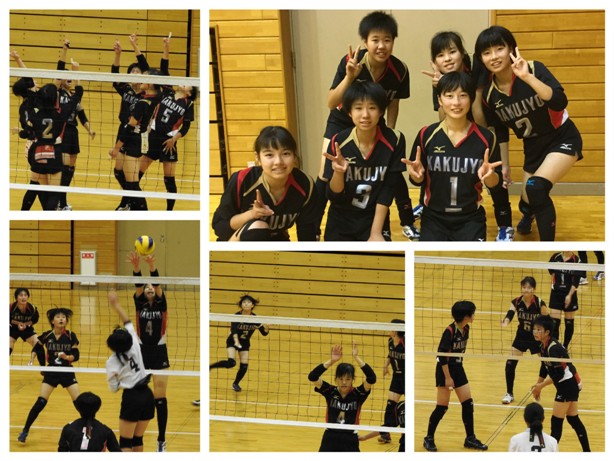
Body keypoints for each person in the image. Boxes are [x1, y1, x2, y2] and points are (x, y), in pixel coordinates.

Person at [474, 25, 583, 241]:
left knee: (536, 187)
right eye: (487, 52)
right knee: (526, 200)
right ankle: (528, 213)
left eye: (499, 49)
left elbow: (560, 102)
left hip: (562, 137)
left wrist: (527, 78)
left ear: (511, 49)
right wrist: (505, 165)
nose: (494, 57)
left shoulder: (534, 68)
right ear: (481, 59)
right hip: (532, 147)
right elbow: (501, 130)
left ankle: (548, 246)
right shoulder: (489, 94)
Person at [317, 11, 417, 240]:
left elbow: (393, 103)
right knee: (325, 174)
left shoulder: (400, 70)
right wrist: (349, 77)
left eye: (387, 40)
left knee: (392, 173)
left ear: (393, 41)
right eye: (375, 40)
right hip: (341, 119)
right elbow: (331, 102)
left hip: (372, 121)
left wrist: (390, 130)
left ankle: (408, 221)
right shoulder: (352, 61)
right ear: (365, 41)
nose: (381, 46)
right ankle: (314, 227)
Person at [422, 31, 514, 241]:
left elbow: (479, 110)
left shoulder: (476, 69)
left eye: (452, 52)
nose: (447, 59)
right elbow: (442, 118)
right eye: (440, 55)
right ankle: (427, 207)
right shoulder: (440, 81)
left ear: (462, 54)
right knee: (436, 166)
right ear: (434, 60)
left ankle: (505, 226)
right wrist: (439, 86)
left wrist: (483, 142)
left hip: (489, 126)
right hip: (465, 130)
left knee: (495, 176)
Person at [404, 72, 502, 241]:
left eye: (463, 95)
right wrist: (416, 176)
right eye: (449, 96)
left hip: (471, 219)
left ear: (471, 99)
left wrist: (490, 177)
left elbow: (495, 185)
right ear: (440, 100)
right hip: (434, 218)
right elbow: (417, 180)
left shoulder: (487, 138)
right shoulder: (426, 134)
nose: (456, 102)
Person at [322, 81, 406, 241]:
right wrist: (338, 173)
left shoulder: (394, 140)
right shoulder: (338, 141)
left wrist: (375, 232)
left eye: (372, 108)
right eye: (358, 108)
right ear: (349, 112)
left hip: (374, 218)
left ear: (381, 111)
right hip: (341, 220)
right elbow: (334, 195)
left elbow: (388, 189)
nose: (365, 115)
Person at [212, 126, 319, 241]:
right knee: (258, 228)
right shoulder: (242, 179)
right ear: (258, 158)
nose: (278, 162)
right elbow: (220, 227)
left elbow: (307, 233)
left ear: (294, 156)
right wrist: (252, 214)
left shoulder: (305, 184)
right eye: (269, 155)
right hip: (235, 242)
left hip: (273, 240)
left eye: (286, 153)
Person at [111, 34, 169, 211]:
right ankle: (129, 202)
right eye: (134, 72)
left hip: (134, 134)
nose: (138, 75)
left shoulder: (148, 98)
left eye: (141, 73)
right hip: (125, 131)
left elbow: (152, 71)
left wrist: (135, 46)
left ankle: (133, 205)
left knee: (132, 180)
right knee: (119, 173)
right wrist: (119, 53)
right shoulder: (127, 91)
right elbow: (114, 77)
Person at [423, 300, 487, 451]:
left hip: (458, 367)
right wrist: (447, 377)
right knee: (442, 407)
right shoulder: (449, 332)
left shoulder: (466, 329)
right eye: (472, 313)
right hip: (445, 369)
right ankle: (429, 438)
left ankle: (470, 438)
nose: (474, 315)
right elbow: (441, 356)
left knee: (468, 403)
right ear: (466, 316)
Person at [18, 308, 80, 443]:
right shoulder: (47, 335)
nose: (61, 319)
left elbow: (76, 355)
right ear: (52, 321)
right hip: (51, 371)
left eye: (63, 317)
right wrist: (32, 359)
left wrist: (67, 357)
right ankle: (25, 430)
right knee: (41, 402)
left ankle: (90, 428)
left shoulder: (71, 335)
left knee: (79, 402)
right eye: (58, 317)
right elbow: (37, 347)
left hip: (66, 371)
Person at [129, 251, 170, 452]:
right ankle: (137, 436)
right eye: (146, 288)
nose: (150, 288)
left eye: (152, 287)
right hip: (142, 352)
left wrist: (152, 266)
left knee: (160, 398)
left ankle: (161, 439)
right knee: (138, 395)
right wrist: (137, 268)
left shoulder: (162, 303)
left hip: (160, 351)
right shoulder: (139, 303)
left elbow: (157, 283)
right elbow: (138, 285)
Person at [531, 315, 590, 451]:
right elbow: (544, 366)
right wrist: (538, 385)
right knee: (573, 419)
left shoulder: (553, 348)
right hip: (569, 385)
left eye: (539, 329)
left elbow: (559, 374)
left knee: (556, 422)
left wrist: (541, 386)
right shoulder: (543, 345)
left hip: (567, 385)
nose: (535, 332)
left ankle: (550, 453)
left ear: (547, 332)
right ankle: (587, 452)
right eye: (534, 329)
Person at [106, 290, 155, 452]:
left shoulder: (112, 362)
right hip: (147, 395)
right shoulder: (134, 342)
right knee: (137, 439)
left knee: (125, 442)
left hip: (132, 397)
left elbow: (113, 388)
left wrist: (119, 382)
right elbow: (127, 321)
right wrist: (116, 304)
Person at [308, 341, 376, 452]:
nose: (344, 382)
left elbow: (372, 378)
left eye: (348, 379)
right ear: (336, 379)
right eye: (341, 379)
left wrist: (356, 357)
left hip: (350, 438)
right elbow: (312, 376)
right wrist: (332, 360)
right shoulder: (330, 391)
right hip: (330, 437)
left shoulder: (358, 394)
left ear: (353, 380)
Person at [139, 83, 197, 210]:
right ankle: (134, 204)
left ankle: (169, 211)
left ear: (189, 93)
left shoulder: (188, 104)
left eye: (188, 85)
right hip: (153, 137)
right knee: (135, 175)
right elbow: (160, 78)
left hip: (168, 142)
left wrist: (173, 140)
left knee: (169, 180)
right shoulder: (167, 93)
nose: (184, 83)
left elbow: (186, 127)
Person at [55, 39, 96, 210]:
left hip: (73, 132)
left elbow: (81, 115)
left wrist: (89, 130)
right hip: (62, 131)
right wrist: (64, 50)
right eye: (67, 76)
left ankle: (62, 200)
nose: (69, 78)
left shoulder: (73, 97)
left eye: (71, 77)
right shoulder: (57, 92)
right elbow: (59, 70)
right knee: (64, 167)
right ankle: (61, 202)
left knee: (71, 167)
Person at [500, 276, 548, 404]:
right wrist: (505, 322)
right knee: (510, 364)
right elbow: (510, 314)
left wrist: (546, 337)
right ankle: (509, 393)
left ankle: (538, 389)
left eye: (529, 287)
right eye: (524, 287)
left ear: (534, 289)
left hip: (536, 337)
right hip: (521, 336)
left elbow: (548, 320)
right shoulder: (516, 301)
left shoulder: (539, 303)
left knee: (547, 363)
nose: (526, 290)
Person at [209, 294, 269, 391]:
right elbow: (234, 331)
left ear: (252, 305)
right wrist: (236, 342)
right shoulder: (236, 316)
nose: (246, 304)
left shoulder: (255, 319)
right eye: (244, 302)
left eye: (248, 302)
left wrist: (267, 327)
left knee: (244, 366)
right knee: (231, 363)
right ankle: (210, 366)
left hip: (245, 343)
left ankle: (236, 383)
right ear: (241, 305)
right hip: (233, 340)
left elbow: (264, 333)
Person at [378, 319, 404, 444]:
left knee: (406, 408)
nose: (389, 329)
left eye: (391, 328)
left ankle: (405, 434)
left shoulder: (406, 344)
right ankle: (385, 434)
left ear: (396, 331)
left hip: (406, 378)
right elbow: (390, 354)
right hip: (396, 378)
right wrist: (385, 366)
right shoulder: (390, 341)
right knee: (390, 405)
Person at [548, 251, 581, 348]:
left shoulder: (577, 260)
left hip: (570, 293)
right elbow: (551, 271)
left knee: (569, 323)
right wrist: (555, 283)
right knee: (554, 323)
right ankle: (555, 346)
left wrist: (569, 295)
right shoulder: (555, 257)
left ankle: (565, 347)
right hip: (556, 293)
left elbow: (576, 282)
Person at [9, 287, 42, 362]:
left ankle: (43, 366)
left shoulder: (32, 308)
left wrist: (26, 324)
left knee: (39, 345)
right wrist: (18, 323)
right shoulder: (10, 307)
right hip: (12, 329)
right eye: (21, 295)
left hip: (27, 329)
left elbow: (35, 319)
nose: (23, 297)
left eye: (25, 295)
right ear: (16, 297)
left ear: (28, 297)